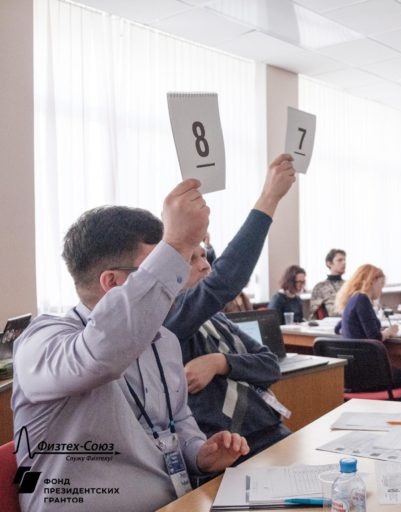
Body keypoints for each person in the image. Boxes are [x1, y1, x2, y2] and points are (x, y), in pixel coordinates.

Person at [12, 180, 248, 512]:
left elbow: (176, 419)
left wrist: (199, 454)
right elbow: (98, 355)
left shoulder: (163, 340)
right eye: (155, 270)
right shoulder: (41, 342)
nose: (174, 282)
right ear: (111, 282)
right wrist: (176, 243)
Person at [163, 154, 295, 469]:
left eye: (206, 255)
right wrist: (269, 199)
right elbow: (224, 280)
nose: (205, 264)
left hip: (271, 432)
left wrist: (221, 363)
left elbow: (269, 366)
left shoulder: (216, 318)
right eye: (193, 259)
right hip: (231, 453)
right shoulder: (170, 320)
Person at [334, 264, 401, 392]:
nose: (381, 289)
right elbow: (375, 338)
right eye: (381, 284)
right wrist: (389, 332)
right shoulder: (362, 299)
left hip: (353, 374)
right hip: (370, 374)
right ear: (372, 282)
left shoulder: (353, 299)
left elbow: (338, 328)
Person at [309, 248, 346, 318]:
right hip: (329, 324)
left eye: (344, 260)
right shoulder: (320, 287)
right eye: (340, 260)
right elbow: (313, 316)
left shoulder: (349, 285)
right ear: (329, 263)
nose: (344, 263)